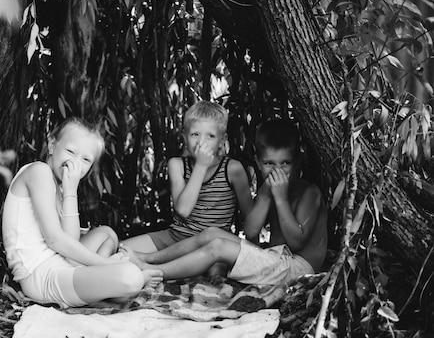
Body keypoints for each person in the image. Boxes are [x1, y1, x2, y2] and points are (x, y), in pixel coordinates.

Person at [121, 119, 328, 285]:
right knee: (211, 233)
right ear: (258, 163)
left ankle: (154, 272)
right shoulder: (269, 189)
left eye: (286, 163)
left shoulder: (309, 192)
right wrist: (265, 194)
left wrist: (281, 199)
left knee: (218, 246)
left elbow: (296, 243)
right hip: (274, 259)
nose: (277, 171)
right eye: (269, 164)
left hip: (298, 269)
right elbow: (252, 231)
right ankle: (149, 258)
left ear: (298, 162)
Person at [2, 118, 163, 308]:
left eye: (86, 159)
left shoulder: (61, 186)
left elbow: (71, 239)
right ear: (52, 145)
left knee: (107, 234)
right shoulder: (39, 171)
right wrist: (105, 265)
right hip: (41, 275)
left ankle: (104, 286)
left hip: (60, 260)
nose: (75, 163)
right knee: (132, 277)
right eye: (71, 151)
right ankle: (111, 285)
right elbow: (56, 241)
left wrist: (70, 191)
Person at [121, 101, 254, 253]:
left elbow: (251, 220)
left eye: (210, 136)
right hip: (177, 237)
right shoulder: (177, 165)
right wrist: (201, 166)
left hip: (212, 244)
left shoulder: (232, 169)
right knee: (122, 250)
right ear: (185, 137)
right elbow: (183, 210)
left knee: (213, 269)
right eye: (195, 134)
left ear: (222, 140)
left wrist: (253, 257)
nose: (201, 142)